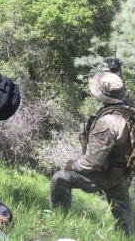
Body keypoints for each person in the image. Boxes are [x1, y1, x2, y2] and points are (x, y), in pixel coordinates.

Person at [51, 72, 133, 236]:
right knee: (123, 216)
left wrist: (72, 165)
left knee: (60, 178)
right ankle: (127, 236)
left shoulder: (107, 123)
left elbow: (92, 163)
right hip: (123, 174)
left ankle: (58, 224)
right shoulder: (129, 109)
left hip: (104, 174)